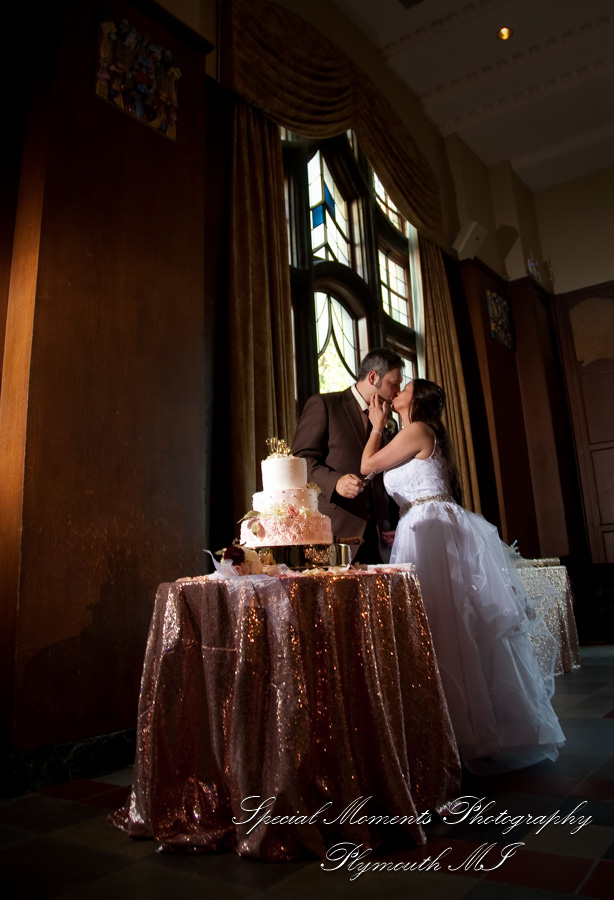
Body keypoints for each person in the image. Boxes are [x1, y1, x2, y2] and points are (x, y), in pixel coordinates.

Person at [361, 377, 565, 773]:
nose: (396, 392)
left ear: (416, 400)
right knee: (438, 623)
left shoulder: (417, 430)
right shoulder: (412, 433)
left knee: (446, 623)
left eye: (402, 388)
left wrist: (374, 427)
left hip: (433, 530)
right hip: (418, 526)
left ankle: (469, 730)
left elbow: (368, 465)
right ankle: (449, 726)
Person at [291, 348, 403, 563]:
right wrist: (336, 482)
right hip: (336, 531)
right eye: (394, 383)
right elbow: (300, 460)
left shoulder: (389, 421)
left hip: (381, 538)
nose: (397, 391)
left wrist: (394, 522)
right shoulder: (325, 405)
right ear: (373, 377)